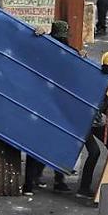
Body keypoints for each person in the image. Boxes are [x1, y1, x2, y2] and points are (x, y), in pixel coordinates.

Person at [24, 21, 71, 193]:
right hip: (54, 107)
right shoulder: (66, 52)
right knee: (54, 143)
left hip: (41, 105)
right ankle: (53, 180)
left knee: (37, 145)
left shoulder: (45, 48)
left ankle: (32, 181)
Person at [77, 51, 108, 197]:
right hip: (84, 121)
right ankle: (83, 189)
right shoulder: (97, 77)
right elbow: (85, 70)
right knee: (94, 152)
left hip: (97, 122)